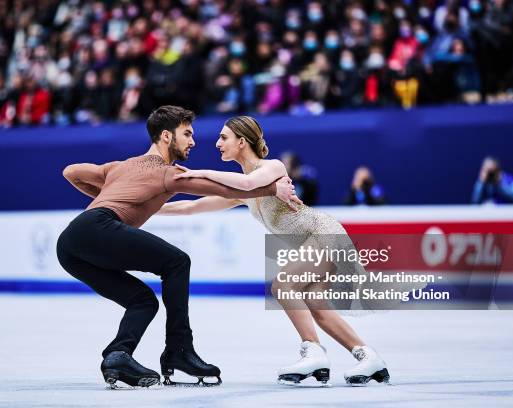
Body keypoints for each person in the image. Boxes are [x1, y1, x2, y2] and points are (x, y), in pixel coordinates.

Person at [56, 106, 300, 389]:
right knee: (177, 262)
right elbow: (223, 189)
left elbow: (71, 171)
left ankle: (117, 355)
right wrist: (271, 190)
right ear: (166, 136)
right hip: (98, 227)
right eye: (186, 134)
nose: (193, 141)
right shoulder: (167, 173)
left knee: (143, 301)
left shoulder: (119, 167)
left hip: (70, 245)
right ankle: (179, 351)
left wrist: (107, 197)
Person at [158, 116, 390, 386]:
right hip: (314, 240)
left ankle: (313, 351)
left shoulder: (273, 167)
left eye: (224, 138)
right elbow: (190, 208)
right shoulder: (244, 189)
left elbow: (246, 184)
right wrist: (143, 210)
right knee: (317, 306)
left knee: (283, 286)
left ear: (242, 142)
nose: (218, 143)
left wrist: (197, 172)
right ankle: (368, 356)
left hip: (323, 233)